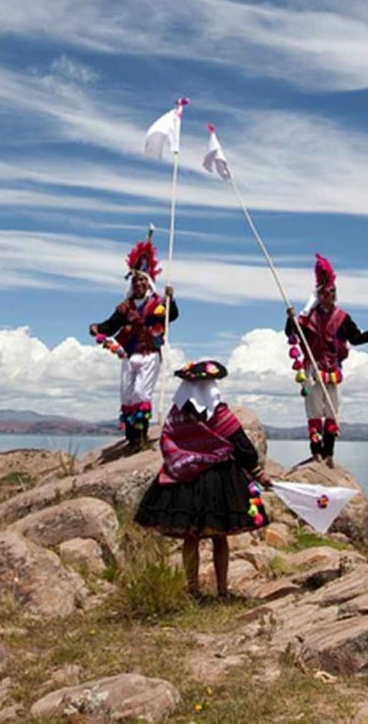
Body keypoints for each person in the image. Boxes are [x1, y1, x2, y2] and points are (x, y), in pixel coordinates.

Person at [134, 360, 269, 597]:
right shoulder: (220, 414)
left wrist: (182, 461)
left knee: (191, 538)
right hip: (221, 480)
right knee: (220, 537)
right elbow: (242, 446)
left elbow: (167, 442)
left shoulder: (177, 415)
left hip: (185, 481)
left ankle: (193, 589)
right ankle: (222, 589)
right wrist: (256, 471)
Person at [89, 237, 179, 454]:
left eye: (142, 281)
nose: (139, 284)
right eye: (135, 281)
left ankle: (141, 437)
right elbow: (111, 325)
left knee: (141, 393)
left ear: (148, 283)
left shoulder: (158, 304)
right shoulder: (125, 307)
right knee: (127, 394)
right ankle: (131, 438)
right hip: (129, 354)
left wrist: (171, 299)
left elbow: (172, 316)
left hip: (150, 353)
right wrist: (97, 328)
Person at [284, 254, 368, 466]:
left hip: (333, 371)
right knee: (314, 412)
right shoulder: (308, 318)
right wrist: (291, 319)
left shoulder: (342, 318)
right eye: (327, 293)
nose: (331, 296)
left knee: (332, 413)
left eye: (333, 292)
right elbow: (292, 333)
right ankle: (316, 452)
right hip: (312, 370)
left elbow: (355, 338)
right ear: (320, 295)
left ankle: (329, 454)